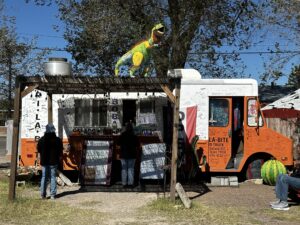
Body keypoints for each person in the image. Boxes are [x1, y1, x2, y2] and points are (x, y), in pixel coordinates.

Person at [37, 123, 63, 199]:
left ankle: (43, 195)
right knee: (53, 177)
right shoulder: (58, 140)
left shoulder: (41, 140)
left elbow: (39, 150)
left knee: (44, 177)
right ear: (54, 130)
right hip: (54, 162)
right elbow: (60, 151)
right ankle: (52, 195)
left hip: (44, 162)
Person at [117, 122, 139, 187]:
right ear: (132, 128)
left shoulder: (122, 135)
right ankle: (130, 183)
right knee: (131, 169)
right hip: (132, 154)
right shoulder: (134, 135)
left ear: (125, 128)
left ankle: (124, 183)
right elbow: (137, 144)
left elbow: (118, 143)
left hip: (123, 154)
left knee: (124, 169)